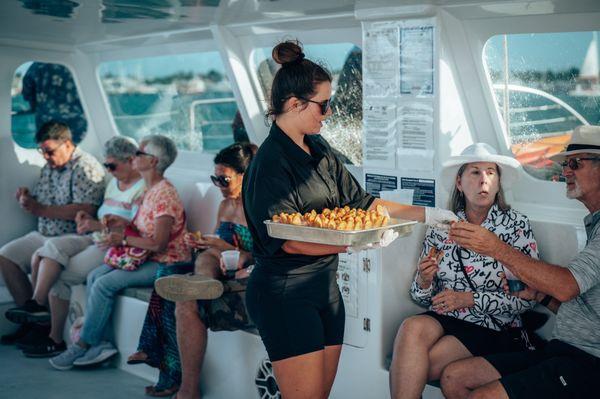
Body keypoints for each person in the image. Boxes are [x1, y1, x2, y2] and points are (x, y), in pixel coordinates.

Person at [241, 40, 458, 399]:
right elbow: (288, 239)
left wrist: (431, 216)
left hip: (325, 290)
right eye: (323, 105)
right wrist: (355, 242)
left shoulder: (319, 148)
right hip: (284, 294)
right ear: (295, 104)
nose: (327, 114)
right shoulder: (269, 165)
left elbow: (363, 203)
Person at [441, 125, 600, 399]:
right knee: (454, 378)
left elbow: (566, 286)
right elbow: (583, 310)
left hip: (588, 362)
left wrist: (495, 247)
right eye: (565, 165)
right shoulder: (594, 225)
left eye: (575, 163)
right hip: (561, 349)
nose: (565, 172)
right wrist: (540, 296)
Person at [388, 143, 539, 399]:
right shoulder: (442, 226)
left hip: (492, 324)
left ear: (499, 182)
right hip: (447, 317)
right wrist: (424, 280)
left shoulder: (515, 226)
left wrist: (470, 299)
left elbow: (525, 302)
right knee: (411, 326)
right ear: (459, 183)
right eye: (475, 172)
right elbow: (421, 297)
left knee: (422, 366)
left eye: (491, 172)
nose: (484, 180)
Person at [49, 135, 190, 370]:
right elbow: (143, 229)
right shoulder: (150, 189)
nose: (133, 157)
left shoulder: (164, 195)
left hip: (166, 262)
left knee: (104, 284)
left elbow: (159, 244)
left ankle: (83, 344)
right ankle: (99, 345)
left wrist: (123, 238)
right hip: (143, 256)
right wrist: (118, 224)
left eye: (139, 153)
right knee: (95, 276)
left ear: (153, 161)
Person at [135, 142, 256, 398]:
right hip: (219, 268)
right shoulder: (225, 206)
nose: (218, 186)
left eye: (223, 180)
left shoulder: (259, 209)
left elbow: (261, 259)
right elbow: (217, 246)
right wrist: (201, 243)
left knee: (179, 291)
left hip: (247, 275)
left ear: (245, 176)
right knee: (173, 275)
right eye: (214, 179)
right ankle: (202, 283)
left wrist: (219, 245)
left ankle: (166, 368)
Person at [17, 136, 145, 357]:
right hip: (95, 236)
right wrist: (87, 218)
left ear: (132, 160)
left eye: (112, 165)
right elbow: (104, 215)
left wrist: (96, 225)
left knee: (61, 275)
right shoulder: (114, 183)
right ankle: (37, 304)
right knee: (48, 250)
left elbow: (135, 231)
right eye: (107, 165)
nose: (109, 170)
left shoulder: (142, 189)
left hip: (114, 245)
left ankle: (54, 338)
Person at [0, 121, 104, 344]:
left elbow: (86, 209)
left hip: (73, 236)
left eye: (49, 151)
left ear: (67, 144)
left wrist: (41, 209)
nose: (45, 156)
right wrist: (27, 198)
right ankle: (30, 319)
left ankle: (40, 322)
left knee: (48, 251)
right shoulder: (50, 166)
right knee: (6, 256)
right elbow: (41, 201)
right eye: (41, 151)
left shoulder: (85, 167)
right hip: (43, 233)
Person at [21, 62, 87, 143]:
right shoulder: (75, 65)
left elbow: (27, 93)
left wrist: (35, 107)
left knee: (50, 152)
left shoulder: (35, 66)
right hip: (78, 122)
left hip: (47, 124)